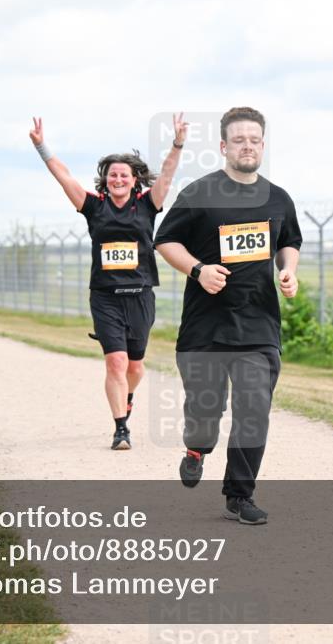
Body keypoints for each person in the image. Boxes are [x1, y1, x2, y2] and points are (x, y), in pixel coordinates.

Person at [154, 107, 302, 525]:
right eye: (239, 140)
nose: (248, 146)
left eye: (254, 140)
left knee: (254, 408)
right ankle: (196, 448)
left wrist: (287, 270)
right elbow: (165, 242)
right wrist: (198, 270)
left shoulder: (277, 198)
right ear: (224, 146)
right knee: (205, 415)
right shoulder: (200, 193)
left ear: (263, 144)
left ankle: (240, 495)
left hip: (258, 325)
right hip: (205, 328)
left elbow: (288, 242)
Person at [29, 114, 187, 450]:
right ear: (106, 179)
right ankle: (121, 428)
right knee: (115, 361)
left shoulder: (148, 206)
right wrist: (42, 147)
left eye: (123, 175)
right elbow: (64, 178)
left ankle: (127, 397)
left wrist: (177, 143)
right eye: (112, 174)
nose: (117, 178)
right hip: (105, 297)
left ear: (134, 180)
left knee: (135, 366)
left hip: (140, 295)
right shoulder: (93, 207)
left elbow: (169, 175)